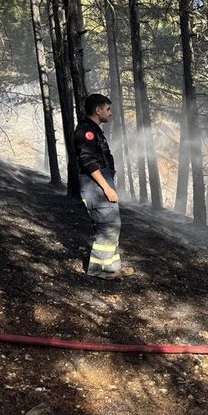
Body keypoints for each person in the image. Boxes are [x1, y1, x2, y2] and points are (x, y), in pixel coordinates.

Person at [75, 93, 134, 280]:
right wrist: (106, 188)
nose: (110, 113)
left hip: (101, 182)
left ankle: (112, 268)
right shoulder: (86, 131)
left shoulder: (95, 129)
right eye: (107, 109)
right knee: (107, 227)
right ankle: (96, 269)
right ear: (97, 110)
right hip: (95, 185)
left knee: (112, 225)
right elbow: (89, 162)